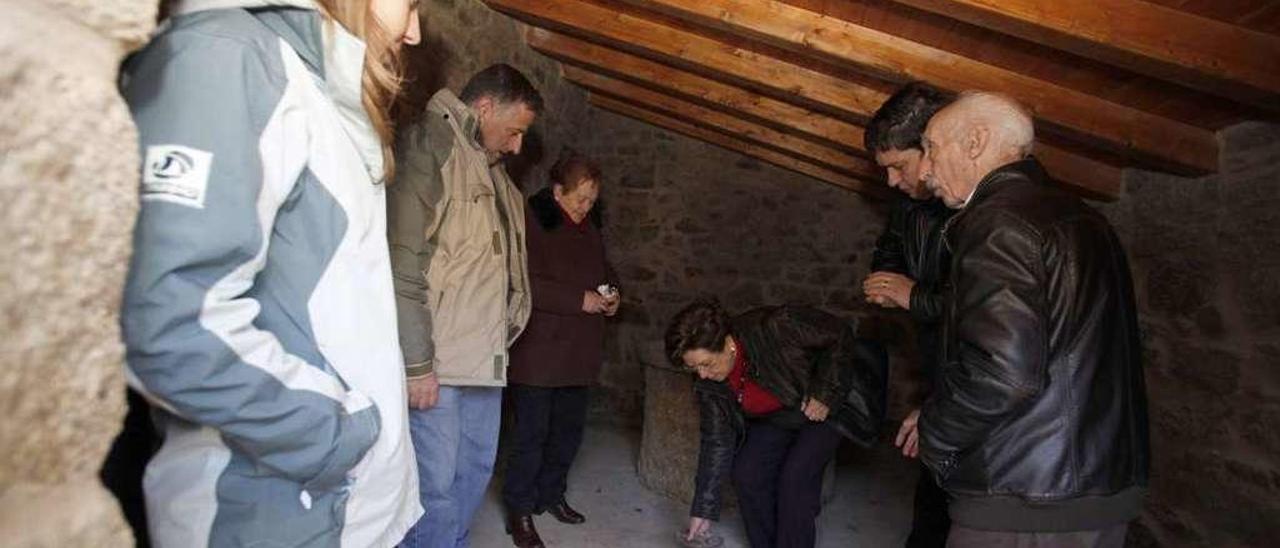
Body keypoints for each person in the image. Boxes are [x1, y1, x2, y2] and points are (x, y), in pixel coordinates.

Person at [119, 0, 423, 546]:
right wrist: (341, 438)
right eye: (413, 4)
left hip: (345, 510)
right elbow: (170, 324)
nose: (416, 32)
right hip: (279, 512)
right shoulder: (227, 56)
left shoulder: (315, 87)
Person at [916, 91, 1149, 547]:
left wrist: (934, 433)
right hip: (1096, 481)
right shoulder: (1084, 217)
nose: (924, 171)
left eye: (929, 147)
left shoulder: (998, 222)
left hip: (1025, 495)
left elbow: (1004, 373)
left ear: (976, 141)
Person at [389, 63, 542, 548]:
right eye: (515, 131)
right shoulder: (431, 147)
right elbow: (402, 263)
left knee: (471, 476)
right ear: (484, 108)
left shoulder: (494, 175)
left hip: (485, 362)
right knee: (434, 490)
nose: (518, 145)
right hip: (439, 366)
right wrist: (417, 366)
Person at [665, 299, 888, 548]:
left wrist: (826, 392)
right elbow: (716, 441)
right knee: (746, 473)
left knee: (795, 481)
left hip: (821, 410)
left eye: (707, 364)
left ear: (728, 344)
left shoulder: (776, 326)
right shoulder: (708, 382)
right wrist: (702, 510)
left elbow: (839, 333)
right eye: (694, 368)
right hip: (776, 416)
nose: (703, 375)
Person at [502, 150, 620, 547]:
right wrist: (578, 300)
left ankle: (551, 495)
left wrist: (613, 293)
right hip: (539, 354)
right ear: (557, 192)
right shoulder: (533, 222)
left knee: (567, 434)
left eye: (591, 200)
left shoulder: (589, 226)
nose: (586, 207)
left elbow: (604, 271)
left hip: (578, 353)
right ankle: (519, 510)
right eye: (580, 199)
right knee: (530, 436)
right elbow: (522, 281)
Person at [860, 82, 954, 547]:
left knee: (957, 509)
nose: (892, 182)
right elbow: (892, 246)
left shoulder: (978, 217)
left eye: (899, 166)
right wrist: (885, 278)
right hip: (945, 375)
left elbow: (981, 311)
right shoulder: (909, 205)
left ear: (933, 148)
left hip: (968, 388)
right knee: (931, 505)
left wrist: (913, 296)